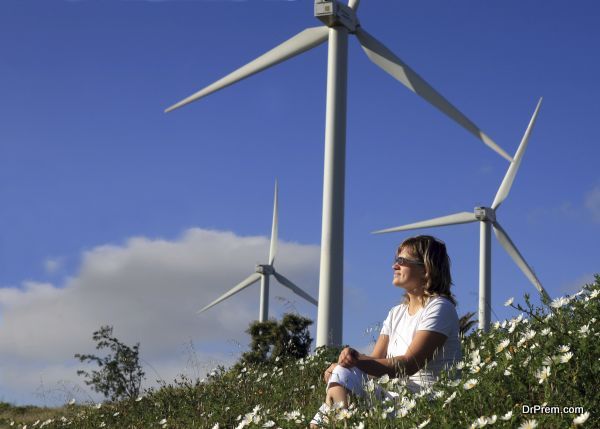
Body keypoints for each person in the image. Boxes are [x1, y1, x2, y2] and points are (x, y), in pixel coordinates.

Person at [310, 235, 462, 427]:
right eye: (395, 260)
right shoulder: (396, 313)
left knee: (344, 372)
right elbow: (375, 363)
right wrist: (344, 364)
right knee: (341, 373)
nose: (394, 266)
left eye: (402, 261)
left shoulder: (440, 307)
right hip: (394, 400)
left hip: (427, 403)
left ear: (426, 269)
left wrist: (353, 362)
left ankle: (339, 423)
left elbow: (408, 364)